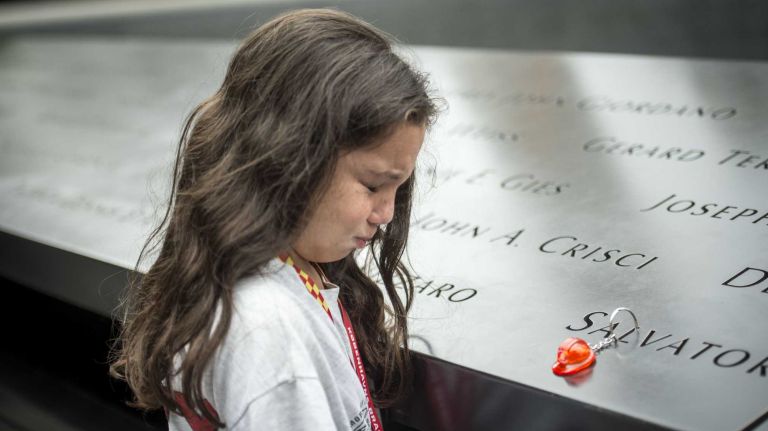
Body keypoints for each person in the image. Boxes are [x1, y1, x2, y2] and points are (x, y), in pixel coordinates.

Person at [109, 8, 439, 430]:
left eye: (398, 189)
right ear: (289, 158)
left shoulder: (283, 276)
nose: (387, 215)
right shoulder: (267, 334)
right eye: (373, 185)